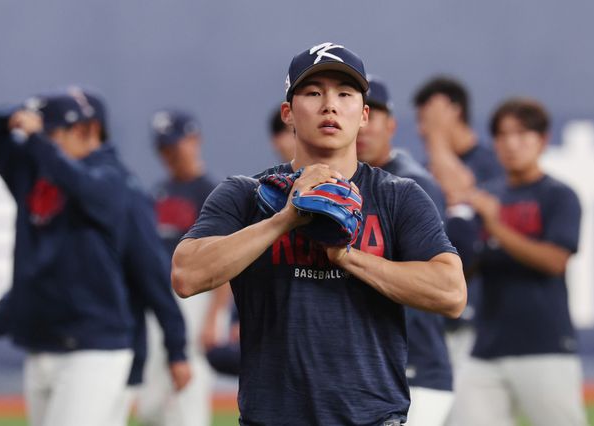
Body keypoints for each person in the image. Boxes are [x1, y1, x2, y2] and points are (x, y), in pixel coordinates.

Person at [172, 41, 467, 425]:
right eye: (313, 93)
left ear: (363, 115)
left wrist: (347, 256)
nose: (330, 105)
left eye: (344, 94)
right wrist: (285, 219)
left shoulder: (398, 196)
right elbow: (186, 275)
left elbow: (451, 293)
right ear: (288, 113)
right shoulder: (246, 194)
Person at [0, 94, 133, 426]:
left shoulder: (111, 176)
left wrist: (174, 346)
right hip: (42, 343)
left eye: (54, 133)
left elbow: (81, 185)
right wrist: (13, 116)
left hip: (93, 348)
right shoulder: (34, 174)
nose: (46, 141)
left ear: (87, 130)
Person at [453, 98, 588, 425]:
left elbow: (555, 261)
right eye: (503, 135)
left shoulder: (558, 195)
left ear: (542, 139)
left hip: (544, 345)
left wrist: (495, 226)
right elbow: (465, 268)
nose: (511, 144)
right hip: (486, 347)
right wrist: (459, 220)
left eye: (522, 134)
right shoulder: (485, 195)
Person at [69, 89, 192, 425]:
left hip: (115, 343)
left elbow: (152, 276)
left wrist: (177, 348)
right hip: (66, 341)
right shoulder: (65, 189)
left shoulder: (125, 191)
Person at [357, 75, 453, 426]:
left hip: (414, 366)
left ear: (391, 125)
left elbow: (432, 279)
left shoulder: (412, 185)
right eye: (358, 114)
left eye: (374, 114)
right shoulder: (339, 184)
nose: (364, 126)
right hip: (365, 369)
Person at [413, 77, 504, 372]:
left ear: (454, 111)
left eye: (427, 119)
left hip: (484, 319)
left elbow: (459, 191)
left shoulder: (492, 164)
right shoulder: (423, 172)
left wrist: (438, 136)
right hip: (437, 314)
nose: (422, 130)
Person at [140, 109, 221, 426]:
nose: (170, 154)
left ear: (194, 140)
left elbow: (225, 259)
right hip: (161, 295)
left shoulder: (211, 192)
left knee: (189, 385)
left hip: (197, 297)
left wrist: (214, 316)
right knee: (151, 402)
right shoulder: (159, 192)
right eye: (164, 148)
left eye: (175, 144)